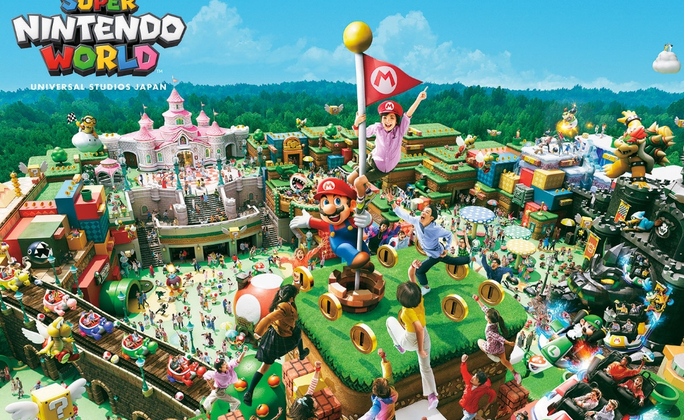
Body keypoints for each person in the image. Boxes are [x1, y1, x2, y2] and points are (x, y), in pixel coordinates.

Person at [349, 90, 428, 209]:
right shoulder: (377, 127)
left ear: (396, 121)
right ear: (381, 119)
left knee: (358, 182)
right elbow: (359, 134)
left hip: (383, 168)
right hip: (372, 159)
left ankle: (361, 202)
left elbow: (408, 115)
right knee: (350, 179)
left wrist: (418, 99)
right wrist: (356, 124)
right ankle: (369, 193)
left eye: (392, 118)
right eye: (385, 117)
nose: (388, 121)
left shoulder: (399, 131)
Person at [386, 189, 468, 295]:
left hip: (437, 253)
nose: (423, 213)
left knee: (420, 271)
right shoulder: (417, 220)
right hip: (430, 251)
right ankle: (468, 259)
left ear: (431, 218)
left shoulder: (436, 229)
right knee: (452, 261)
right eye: (423, 211)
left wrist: (447, 248)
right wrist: (392, 202)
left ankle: (426, 287)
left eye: (427, 212)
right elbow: (404, 216)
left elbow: (449, 234)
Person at [243, 285, 309, 406]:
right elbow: (268, 319)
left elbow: (292, 292)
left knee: (264, 367)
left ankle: (249, 392)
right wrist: (258, 332)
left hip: (274, 335)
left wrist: (297, 283)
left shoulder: (282, 301)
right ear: (291, 298)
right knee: (297, 333)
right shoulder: (283, 308)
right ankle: (249, 392)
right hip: (281, 337)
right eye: (294, 296)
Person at [385, 260, 438, 409]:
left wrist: (419, 349)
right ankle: (432, 396)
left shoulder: (407, 312)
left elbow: (418, 329)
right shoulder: (418, 298)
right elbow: (411, 276)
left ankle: (398, 346)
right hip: (425, 338)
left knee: (390, 321)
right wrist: (412, 267)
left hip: (409, 341)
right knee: (425, 367)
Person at [473, 295, 521, 384]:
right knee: (505, 361)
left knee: (479, 341)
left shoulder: (490, 330)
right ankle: (515, 373)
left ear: (489, 320)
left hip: (491, 348)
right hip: (500, 347)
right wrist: (478, 300)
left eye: (487, 316)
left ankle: (490, 355)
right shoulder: (496, 320)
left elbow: (499, 337)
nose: (486, 315)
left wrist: (509, 343)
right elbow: (485, 309)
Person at [358, 349, 399, 420]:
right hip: (392, 417)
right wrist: (383, 358)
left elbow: (369, 416)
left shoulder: (378, 404)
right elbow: (387, 371)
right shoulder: (392, 389)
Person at [459, 354, 496, 420]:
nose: (472, 378)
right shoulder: (469, 381)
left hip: (470, 411)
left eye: (475, 379)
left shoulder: (484, 389)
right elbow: (464, 372)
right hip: (466, 407)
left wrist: (487, 405)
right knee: (476, 415)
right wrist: (463, 361)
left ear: (479, 383)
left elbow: (493, 394)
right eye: (474, 375)